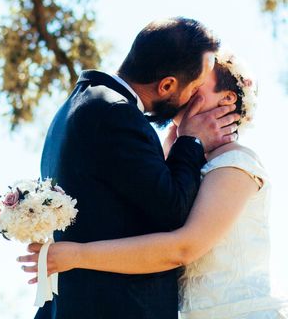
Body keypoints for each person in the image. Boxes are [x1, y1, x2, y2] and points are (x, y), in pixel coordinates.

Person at [19, 51, 288, 318]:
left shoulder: (234, 164)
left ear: (227, 99)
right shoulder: (180, 161)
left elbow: (183, 247)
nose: (186, 86)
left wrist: (77, 255)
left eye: (197, 83)